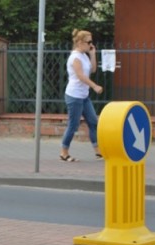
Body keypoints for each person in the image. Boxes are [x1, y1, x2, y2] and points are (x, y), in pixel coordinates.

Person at [59, 29, 103, 162]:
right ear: (79, 42)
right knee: (73, 125)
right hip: (74, 95)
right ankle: (64, 152)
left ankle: (98, 151)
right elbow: (80, 76)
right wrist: (94, 86)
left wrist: (93, 54)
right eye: (88, 42)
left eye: (91, 42)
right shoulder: (75, 57)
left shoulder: (84, 55)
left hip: (84, 96)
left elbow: (93, 69)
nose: (91, 44)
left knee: (93, 122)